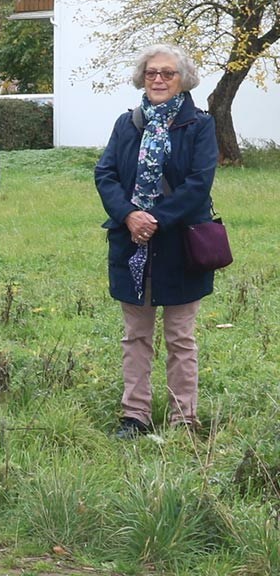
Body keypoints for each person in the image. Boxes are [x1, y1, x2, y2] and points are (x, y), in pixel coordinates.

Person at [94, 44, 217, 438]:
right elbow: (106, 174)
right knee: (136, 335)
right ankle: (135, 416)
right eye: (152, 73)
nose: (159, 80)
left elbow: (199, 184)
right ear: (142, 78)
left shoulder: (199, 125)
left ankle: (184, 418)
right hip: (131, 243)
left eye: (168, 73)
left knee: (180, 336)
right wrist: (129, 216)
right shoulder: (125, 124)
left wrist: (154, 220)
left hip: (181, 244)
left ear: (183, 80)